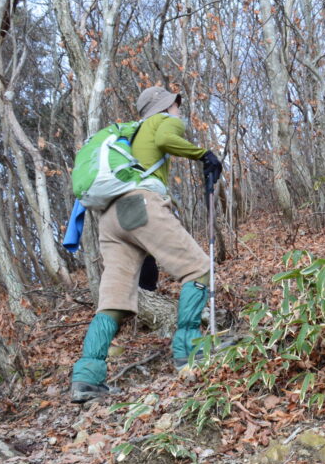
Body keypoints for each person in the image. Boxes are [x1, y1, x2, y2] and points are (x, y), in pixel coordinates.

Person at [69, 85, 223, 403]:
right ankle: (190, 355)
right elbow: (168, 140)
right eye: (177, 104)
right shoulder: (163, 121)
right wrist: (203, 155)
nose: (179, 109)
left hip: (109, 219)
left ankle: (87, 377)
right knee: (197, 269)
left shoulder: (127, 137)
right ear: (167, 105)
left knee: (114, 299)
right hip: (139, 205)